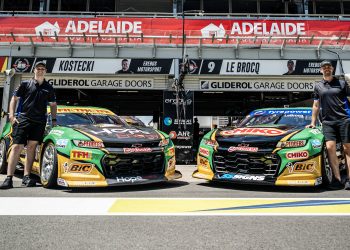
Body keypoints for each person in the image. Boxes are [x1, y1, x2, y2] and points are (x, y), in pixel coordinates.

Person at [0, 61, 57, 189]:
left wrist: (54, 121)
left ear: (45, 71)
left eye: (42, 68)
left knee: (32, 147)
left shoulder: (49, 88)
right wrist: (12, 116)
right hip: (23, 119)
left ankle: (26, 177)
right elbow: (14, 99)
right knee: (16, 147)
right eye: (38, 68)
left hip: (39, 122)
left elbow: (53, 105)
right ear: (34, 70)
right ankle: (9, 179)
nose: (40, 70)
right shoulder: (25, 84)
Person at [306, 60, 350, 190]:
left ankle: (349, 179)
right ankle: (336, 179)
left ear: (332, 69)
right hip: (327, 122)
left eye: (329, 67)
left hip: (344, 119)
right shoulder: (318, 86)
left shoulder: (342, 83)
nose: (327, 69)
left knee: (347, 149)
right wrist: (312, 123)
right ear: (321, 70)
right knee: (330, 148)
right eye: (324, 67)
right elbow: (315, 105)